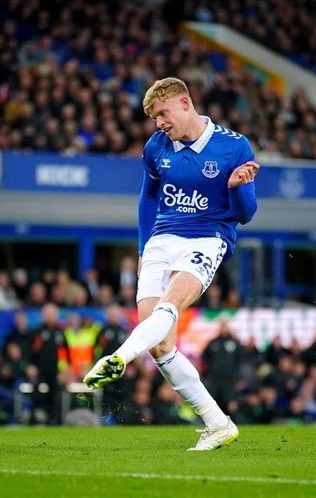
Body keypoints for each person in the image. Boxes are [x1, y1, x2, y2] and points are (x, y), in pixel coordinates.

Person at [84, 77, 259, 451]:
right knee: (160, 344)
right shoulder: (156, 147)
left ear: (184, 102)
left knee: (170, 305)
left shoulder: (233, 146)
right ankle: (217, 423)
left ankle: (117, 358)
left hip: (208, 238)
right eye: (152, 118)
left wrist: (238, 187)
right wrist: (145, 246)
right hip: (161, 240)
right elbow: (147, 198)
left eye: (162, 114)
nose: (158, 123)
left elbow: (246, 215)